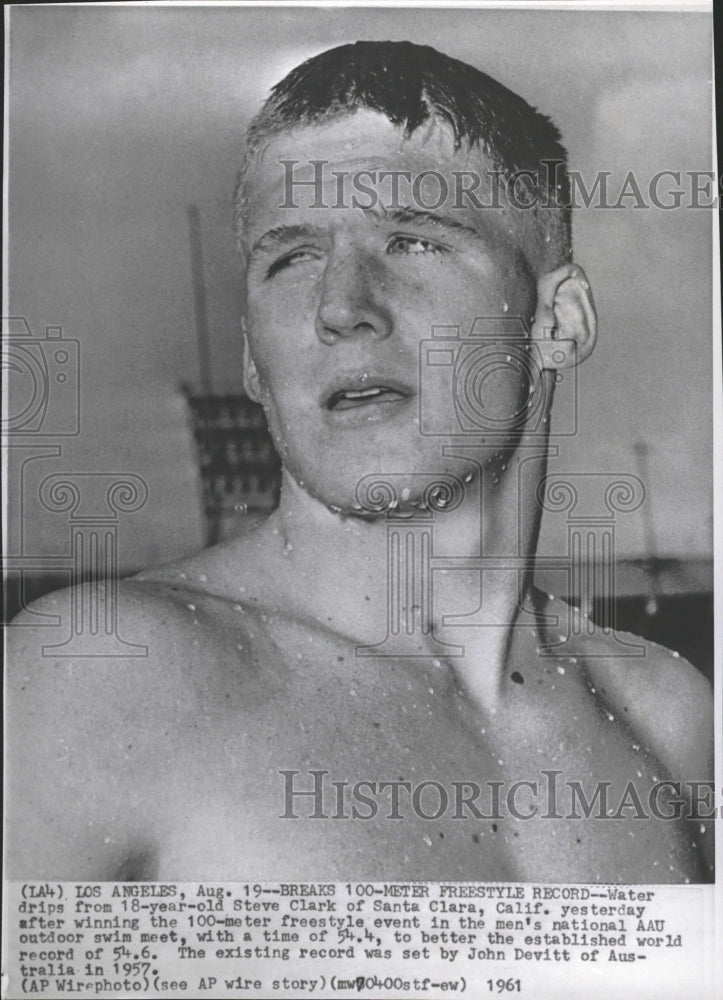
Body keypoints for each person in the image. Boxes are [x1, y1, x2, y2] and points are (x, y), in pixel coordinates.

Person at [6, 41, 713, 883]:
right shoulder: (102, 679)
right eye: (291, 257)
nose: (340, 307)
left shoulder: (668, 718)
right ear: (250, 362)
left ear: (556, 321)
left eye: (412, 241)